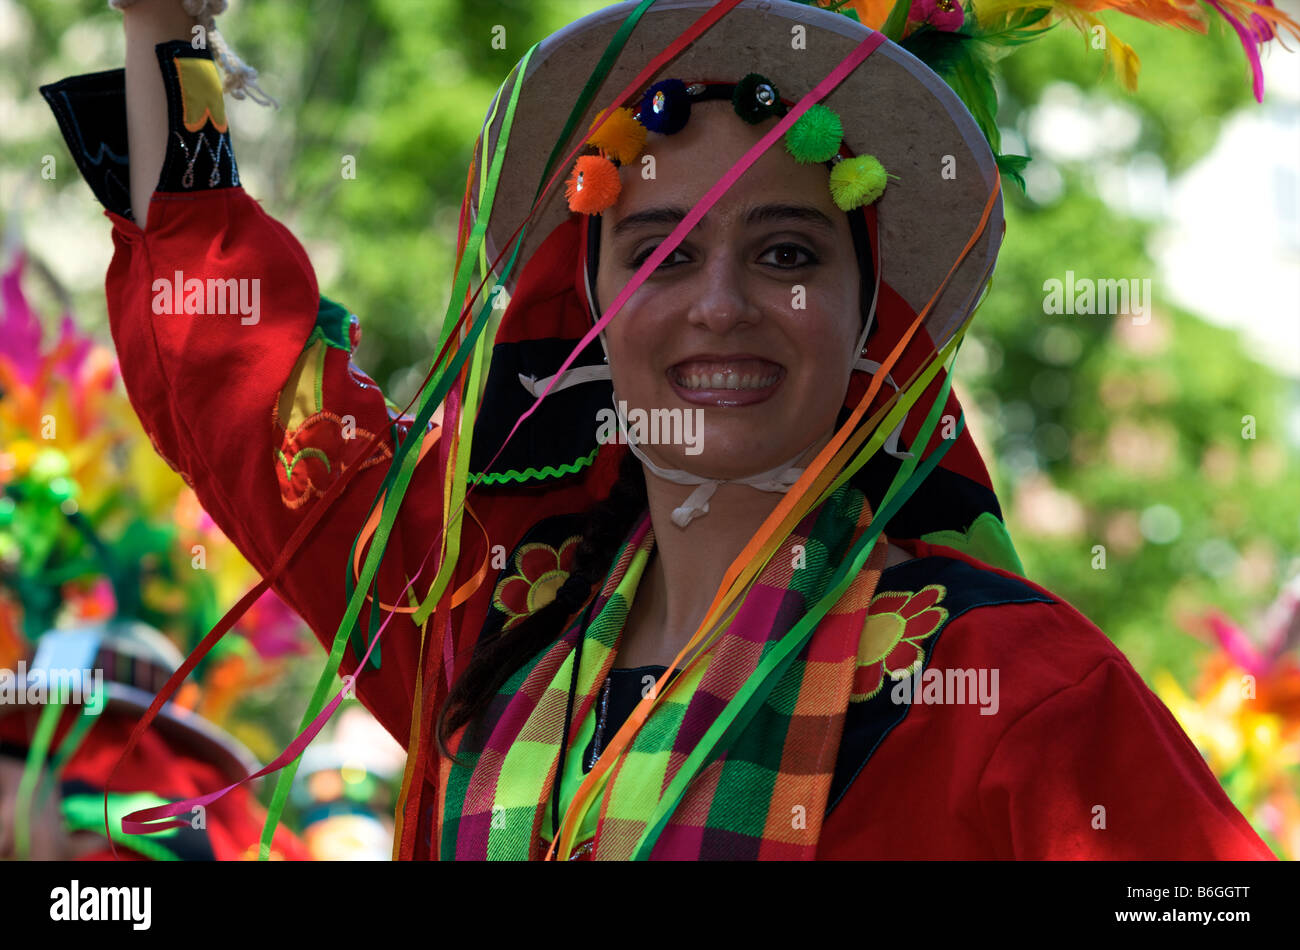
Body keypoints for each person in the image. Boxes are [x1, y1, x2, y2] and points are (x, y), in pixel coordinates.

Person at [37, 0, 1295, 860]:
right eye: (660, 252)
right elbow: (236, 373)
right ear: (590, 303)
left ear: (871, 319)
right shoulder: (480, 626)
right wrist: (169, 30)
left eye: (788, 252)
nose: (721, 306)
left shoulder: (1014, 690)